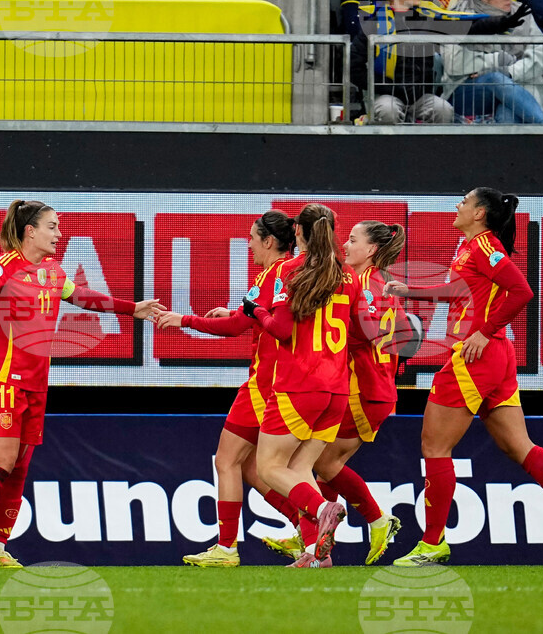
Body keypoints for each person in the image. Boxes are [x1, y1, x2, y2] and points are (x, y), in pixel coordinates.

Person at [385, 187, 543, 566]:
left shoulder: (486, 247)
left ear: (480, 213)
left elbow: (521, 291)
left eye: (465, 201)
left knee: (435, 448)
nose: (458, 205)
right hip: (495, 356)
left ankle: (433, 543)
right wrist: (412, 290)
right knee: (519, 447)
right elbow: (457, 290)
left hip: (474, 356)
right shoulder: (468, 246)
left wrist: (483, 331)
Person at [0, 200, 162, 568]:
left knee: (19, 468)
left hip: (36, 383)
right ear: (30, 231)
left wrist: (131, 308)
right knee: (0, 464)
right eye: (52, 226)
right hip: (2, 381)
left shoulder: (51, 269)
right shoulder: (8, 262)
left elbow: (81, 297)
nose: (59, 234)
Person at [154, 210, 303, 568]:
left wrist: (184, 320)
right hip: (280, 382)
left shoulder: (277, 273)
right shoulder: (280, 272)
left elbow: (241, 326)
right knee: (252, 468)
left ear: (269, 241)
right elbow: (249, 320)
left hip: (263, 384)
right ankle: (308, 530)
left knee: (226, 461)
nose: (249, 243)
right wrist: (235, 314)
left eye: (253, 237)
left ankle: (227, 548)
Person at [264, 220, 408, 565]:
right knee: (315, 465)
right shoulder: (384, 284)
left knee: (319, 463)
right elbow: (403, 335)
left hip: (359, 388)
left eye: (353, 240)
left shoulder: (358, 282)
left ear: (371, 250)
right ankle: (315, 544)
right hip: (377, 386)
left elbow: (358, 333)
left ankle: (373, 519)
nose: (345, 246)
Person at [246, 203, 374, 568]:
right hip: (336, 390)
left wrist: (256, 310)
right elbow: (367, 333)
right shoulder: (347, 275)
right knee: (301, 469)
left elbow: (281, 330)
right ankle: (317, 553)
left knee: (268, 467)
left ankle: (323, 508)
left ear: (298, 233)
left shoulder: (290, 269)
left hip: (299, 385)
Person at [443, 0, 543, 124]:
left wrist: (510, 72)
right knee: (495, 79)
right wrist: (497, 61)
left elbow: (539, 56)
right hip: (467, 92)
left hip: (518, 87)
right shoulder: (458, 16)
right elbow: (454, 63)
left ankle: (509, 144)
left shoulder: (522, 13)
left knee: (509, 109)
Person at [350, 0, 455, 124]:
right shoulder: (373, 24)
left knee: (444, 110)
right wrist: (387, 86)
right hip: (385, 94)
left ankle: (432, 146)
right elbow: (353, 66)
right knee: (388, 110)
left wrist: (493, 22)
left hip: (419, 96)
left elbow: (465, 27)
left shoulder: (427, 19)